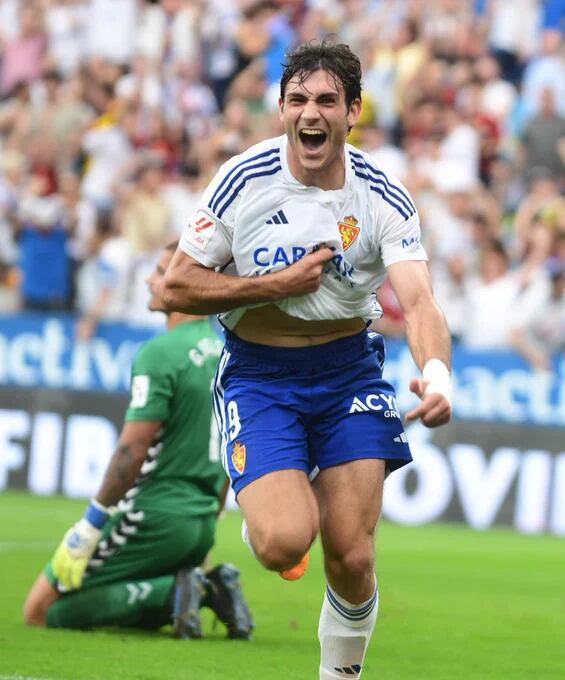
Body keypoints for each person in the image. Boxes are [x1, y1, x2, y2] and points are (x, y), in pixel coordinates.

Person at [162, 41, 452, 679]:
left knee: (351, 553)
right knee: (284, 542)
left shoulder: (382, 195)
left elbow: (421, 302)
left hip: (348, 371)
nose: (310, 113)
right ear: (282, 108)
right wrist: (271, 285)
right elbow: (173, 288)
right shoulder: (245, 179)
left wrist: (436, 374)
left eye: (326, 101)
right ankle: (268, 503)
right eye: (298, 100)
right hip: (260, 376)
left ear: (353, 112)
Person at [23, 240, 254, 641]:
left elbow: (132, 451)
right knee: (133, 605)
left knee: (41, 610)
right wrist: (211, 519)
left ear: (189, 285)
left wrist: (90, 525)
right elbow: (232, 448)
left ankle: (178, 591)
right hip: (201, 520)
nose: (150, 279)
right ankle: (200, 585)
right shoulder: (228, 353)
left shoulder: (161, 353)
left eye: (162, 271)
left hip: (153, 516)